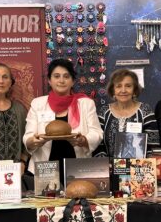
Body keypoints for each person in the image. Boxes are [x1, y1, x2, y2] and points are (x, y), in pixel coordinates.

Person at [23, 58, 103, 186]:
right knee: (47, 203)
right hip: (45, 168)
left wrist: (83, 140)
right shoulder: (38, 104)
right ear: (49, 80)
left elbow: (96, 132)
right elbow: (28, 136)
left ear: (73, 81)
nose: (61, 80)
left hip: (78, 166)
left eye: (66, 76)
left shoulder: (86, 104)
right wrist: (34, 141)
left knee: (79, 201)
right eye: (56, 76)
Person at [93, 69, 159, 157]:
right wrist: (106, 165)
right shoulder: (104, 112)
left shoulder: (145, 111)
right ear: (113, 90)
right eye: (118, 86)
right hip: (107, 167)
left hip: (139, 168)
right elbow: (98, 144)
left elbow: (153, 146)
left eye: (128, 86)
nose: (123, 90)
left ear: (134, 90)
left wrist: (140, 166)